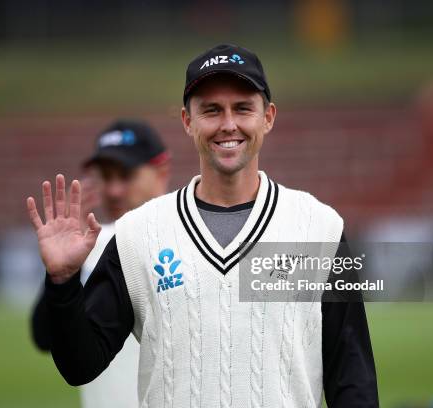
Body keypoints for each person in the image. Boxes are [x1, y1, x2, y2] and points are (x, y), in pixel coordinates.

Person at [26, 44, 379, 407]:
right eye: (211, 110)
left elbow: (352, 375)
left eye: (243, 108)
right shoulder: (137, 234)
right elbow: (80, 366)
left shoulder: (318, 227)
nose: (228, 124)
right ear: (187, 121)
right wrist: (63, 283)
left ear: (268, 117)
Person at [30, 119, 171, 408]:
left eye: (126, 175)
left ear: (161, 173)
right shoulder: (86, 246)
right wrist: (63, 275)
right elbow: (44, 337)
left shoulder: (183, 238)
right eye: (106, 177)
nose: (115, 190)